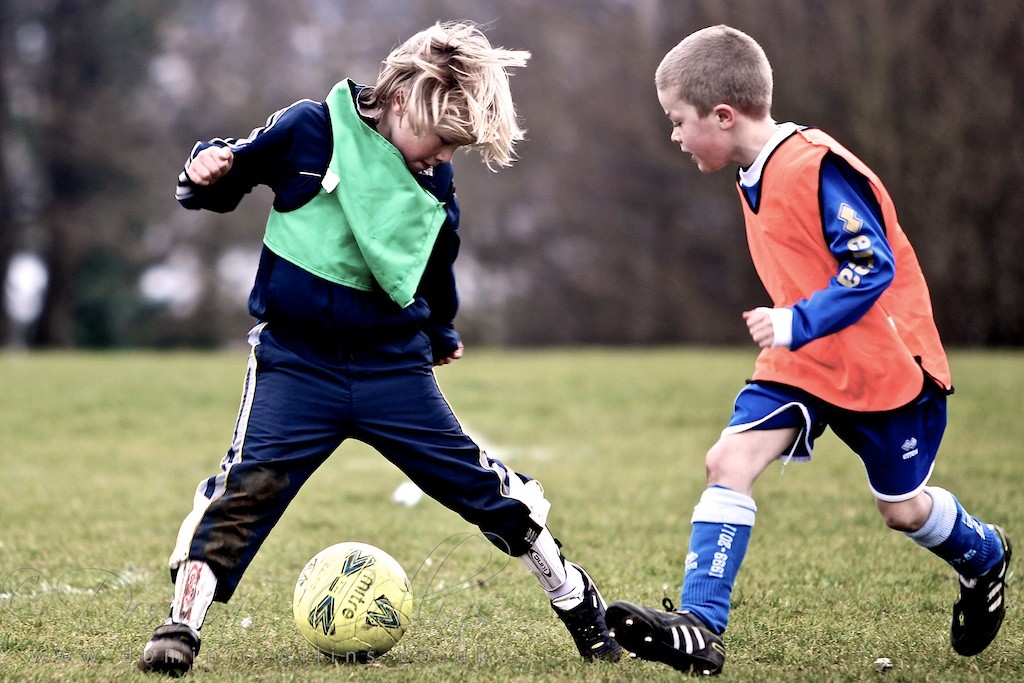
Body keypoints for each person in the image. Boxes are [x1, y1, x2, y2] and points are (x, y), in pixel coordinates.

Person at [137, 21, 621, 676]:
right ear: (400, 102)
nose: (445, 158)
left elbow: (435, 262)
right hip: (295, 364)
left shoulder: (434, 182)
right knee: (244, 488)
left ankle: (579, 603)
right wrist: (207, 168)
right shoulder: (311, 130)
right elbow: (235, 170)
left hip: (392, 367)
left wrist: (441, 330)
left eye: (455, 149)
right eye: (441, 142)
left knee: (483, 488)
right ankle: (180, 626)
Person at [605, 24, 1011, 676]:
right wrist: (799, 334)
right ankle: (700, 626)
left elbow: (869, 266)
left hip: (886, 366)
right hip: (806, 363)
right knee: (728, 459)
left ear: (724, 114)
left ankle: (985, 554)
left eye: (678, 121)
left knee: (901, 509)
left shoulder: (813, 166)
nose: (675, 136)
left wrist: (796, 320)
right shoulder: (749, 169)